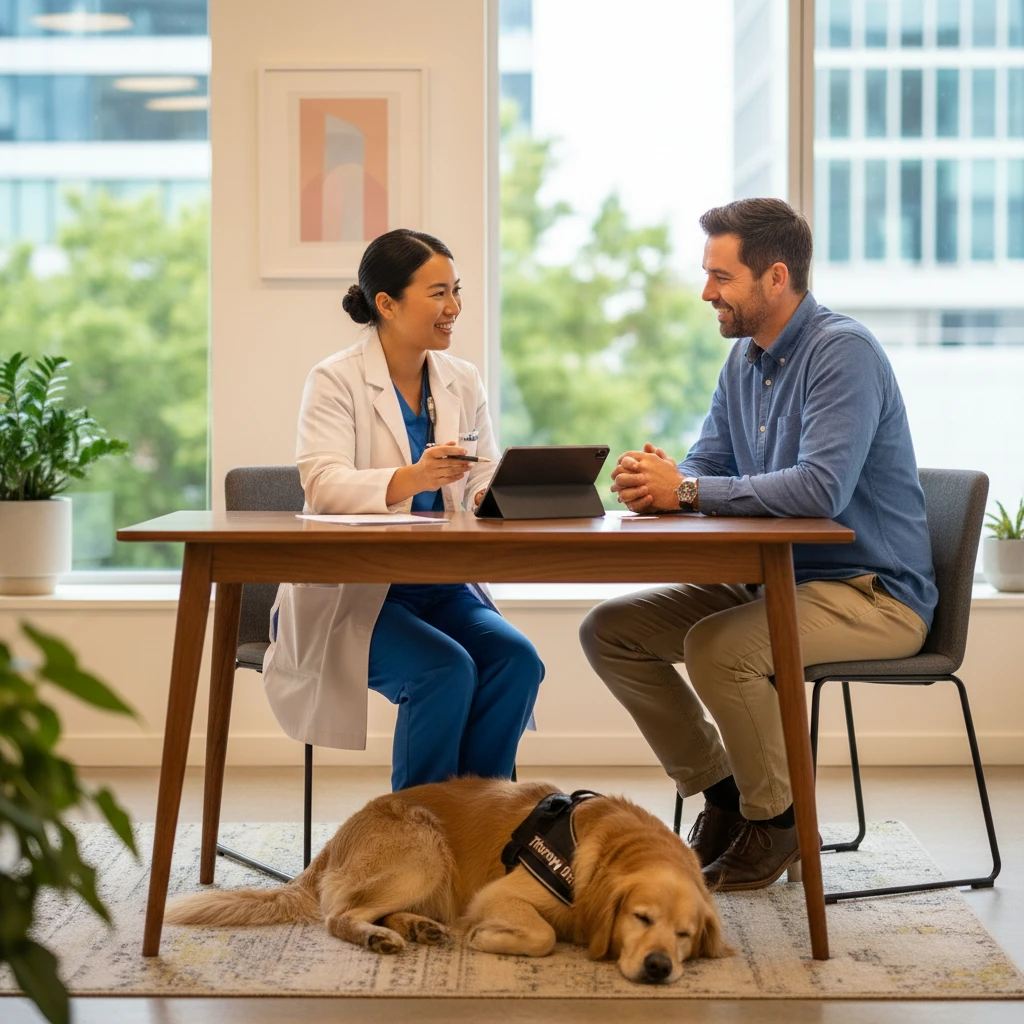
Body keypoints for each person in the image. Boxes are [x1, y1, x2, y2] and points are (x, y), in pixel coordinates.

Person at [579, 198, 937, 891]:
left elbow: (819, 490)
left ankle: (777, 825)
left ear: (776, 278)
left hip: (872, 593)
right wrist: (664, 481)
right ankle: (723, 797)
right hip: (770, 582)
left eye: (721, 277)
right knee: (611, 631)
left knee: (718, 648)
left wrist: (685, 492)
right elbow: (710, 463)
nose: (706, 292)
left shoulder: (844, 353)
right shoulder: (745, 360)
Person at [263, 228, 543, 791]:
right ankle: (413, 844)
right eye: (438, 293)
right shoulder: (335, 379)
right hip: (357, 593)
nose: (454, 308)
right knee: (444, 670)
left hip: (441, 585)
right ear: (386, 304)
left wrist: (498, 494)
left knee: (518, 661)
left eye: (456, 291)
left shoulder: (461, 380)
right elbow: (322, 485)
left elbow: (482, 474)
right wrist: (414, 477)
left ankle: (477, 830)